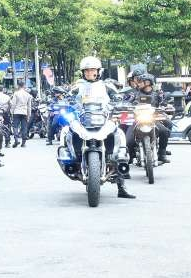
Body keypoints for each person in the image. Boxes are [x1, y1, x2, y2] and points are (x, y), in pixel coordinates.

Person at [72, 56, 134, 199]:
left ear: (98, 71)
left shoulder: (107, 86)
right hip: (83, 120)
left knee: (118, 138)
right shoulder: (78, 86)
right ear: (83, 72)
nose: (89, 73)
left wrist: (118, 104)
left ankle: (122, 187)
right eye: (86, 71)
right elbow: (68, 97)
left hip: (103, 119)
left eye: (92, 70)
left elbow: (118, 98)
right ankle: (72, 157)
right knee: (68, 130)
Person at [134, 73, 172, 164]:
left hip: (153, 119)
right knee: (129, 140)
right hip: (138, 120)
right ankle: (131, 155)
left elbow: (164, 103)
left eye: (140, 82)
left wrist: (167, 106)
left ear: (147, 82)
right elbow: (127, 102)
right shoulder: (135, 94)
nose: (138, 83)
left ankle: (162, 154)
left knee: (164, 131)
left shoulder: (158, 94)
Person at [9, 80, 32, 147]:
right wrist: (29, 115)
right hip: (24, 112)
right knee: (24, 127)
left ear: (18, 86)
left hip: (16, 112)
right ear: (24, 86)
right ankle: (23, 143)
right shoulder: (28, 95)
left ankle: (16, 140)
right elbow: (29, 106)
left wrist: (11, 112)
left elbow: (13, 104)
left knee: (15, 126)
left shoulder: (16, 93)